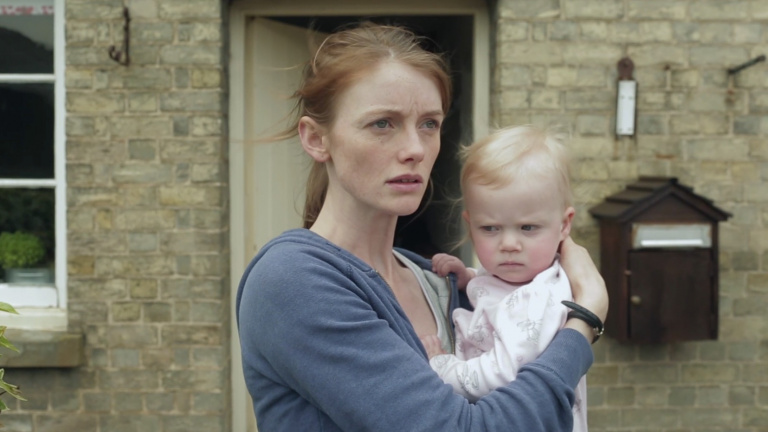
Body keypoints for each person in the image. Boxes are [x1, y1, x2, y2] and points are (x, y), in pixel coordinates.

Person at [236, 22, 608, 432]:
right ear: (316, 139)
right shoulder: (293, 282)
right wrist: (584, 321)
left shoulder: (440, 281)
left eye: (429, 124)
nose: (415, 149)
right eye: (383, 123)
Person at [425, 125, 588, 432]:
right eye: (490, 228)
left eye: (528, 228)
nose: (509, 244)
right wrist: (469, 277)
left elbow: (502, 374)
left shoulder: (538, 299)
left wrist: (442, 366)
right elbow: (498, 291)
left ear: (564, 224)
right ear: (470, 224)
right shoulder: (525, 275)